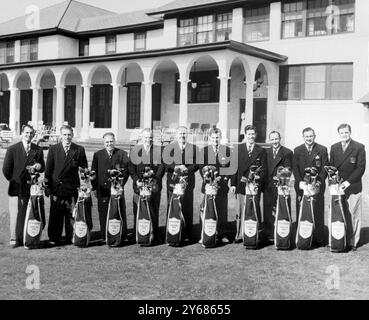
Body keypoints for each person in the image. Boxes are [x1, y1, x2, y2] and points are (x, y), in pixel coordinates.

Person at [2, 124, 45, 247]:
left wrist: (39, 166)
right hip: (16, 186)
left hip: (31, 187)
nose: (29, 135)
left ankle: (25, 237)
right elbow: (6, 169)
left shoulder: (38, 149)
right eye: (26, 133)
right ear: (22, 133)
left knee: (27, 212)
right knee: (15, 213)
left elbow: (42, 167)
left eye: (31, 133)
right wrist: (14, 180)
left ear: (34, 135)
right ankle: (13, 237)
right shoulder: (12, 149)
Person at [45, 125, 88, 245]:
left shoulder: (79, 149)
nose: (67, 137)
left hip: (72, 188)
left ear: (72, 135)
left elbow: (84, 169)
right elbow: (48, 170)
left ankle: (72, 236)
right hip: (57, 187)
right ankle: (54, 238)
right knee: (55, 215)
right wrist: (47, 187)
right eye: (64, 134)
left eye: (69, 134)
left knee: (72, 214)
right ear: (60, 136)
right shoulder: (53, 149)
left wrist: (84, 185)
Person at [329, 123, 366, 251]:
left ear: (350, 132)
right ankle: (337, 239)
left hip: (353, 186)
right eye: (342, 133)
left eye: (346, 132)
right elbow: (331, 166)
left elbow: (361, 168)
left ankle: (353, 242)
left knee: (353, 214)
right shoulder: (334, 147)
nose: (344, 135)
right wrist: (334, 180)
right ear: (338, 134)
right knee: (337, 214)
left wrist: (348, 182)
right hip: (337, 187)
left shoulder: (359, 147)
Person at [231, 124, 267, 242]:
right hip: (241, 183)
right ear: (245, 135)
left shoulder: (261, 150)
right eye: (249, 134)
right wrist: (233, 184)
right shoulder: (238, 148)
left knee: (254, 208)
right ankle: (239, 234)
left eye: (253, 134)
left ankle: (253, 234)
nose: (251, 136)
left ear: (255, 135)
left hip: (254, 185)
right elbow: (234, 168)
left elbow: (263, 169)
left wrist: (256, 180)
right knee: (240, 209)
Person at [292, 127, 328, 246]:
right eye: (306, 136)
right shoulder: (297, 150)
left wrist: (318, 182)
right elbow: (295, 168)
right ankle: (302, 236)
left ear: (314, 136)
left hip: (316, 186)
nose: (309, 138)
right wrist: (299, 182)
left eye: (311, 136)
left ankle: (318, 238)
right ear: (303, 137)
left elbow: (324, 168)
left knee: (317, 210)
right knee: (301, 210)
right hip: (302, 187)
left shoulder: (322, 149)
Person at [128, 128, 165, 243]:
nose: (148, 139)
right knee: (139, 210)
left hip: (154, 186)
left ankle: (155, 234)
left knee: (154, 210)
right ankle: (138, 234)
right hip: (139, 187)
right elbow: (131, 168)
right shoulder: (135, 150)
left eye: (150, 137)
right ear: (141, 138)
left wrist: (156, 179)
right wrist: (136, 181)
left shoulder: (159, 151)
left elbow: (162, 167)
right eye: (146, 137)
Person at [164, 126, 199, 243]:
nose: (182, 136)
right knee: (172, 207)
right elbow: (166, 163)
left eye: (184, 133)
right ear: (176, 135)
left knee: (187, 207)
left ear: (187, 134)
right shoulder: (169, 148)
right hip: (173, 183)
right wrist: (176, 167)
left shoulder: (193, 148)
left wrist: (186, 170)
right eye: (180, 134)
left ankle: (188, 233)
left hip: (187, 183)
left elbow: (196, 164)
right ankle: (171, 232)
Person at [91, 132, 129, 240]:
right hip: (102, 189)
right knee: (103, 212)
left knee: (119, 210)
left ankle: (121, 233)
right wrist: (94, 187)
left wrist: (120, 185)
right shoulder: (97, 155)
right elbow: (94, 172)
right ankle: (105, 234)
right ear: (103, 143)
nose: (109, 144)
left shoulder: (122, 154)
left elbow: (126, 172)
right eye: (107, 142)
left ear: (115, 141)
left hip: (117, 189)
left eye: (111, 141)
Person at [199, 128, 232, 244]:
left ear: (220, 138)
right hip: (208, 186)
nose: (215, 140)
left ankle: (222, 234)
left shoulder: (227, 150)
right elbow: (201, 168)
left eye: (217, 137)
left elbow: (230, 168)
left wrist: (223, 180)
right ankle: (204, 233)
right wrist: (208, 180)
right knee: (206, 209)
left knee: (222, 211)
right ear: (209, 138)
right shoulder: (203, 151)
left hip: (222, 186)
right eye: (213, 138)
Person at [263, 131, 293, 242]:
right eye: (272, 139)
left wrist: (280, 177)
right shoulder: (265, 152)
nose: (275, 141)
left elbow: (288, 169)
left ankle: (283, 232)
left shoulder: (287, 152)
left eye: (276, 139)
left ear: (280, 138)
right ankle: (270, 233)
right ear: (269, 140)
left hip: (282, 186)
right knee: (268, 209)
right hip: (268, 186)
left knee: (282, 208)